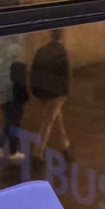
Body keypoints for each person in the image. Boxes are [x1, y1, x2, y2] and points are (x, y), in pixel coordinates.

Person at [31, 29, 72, 160]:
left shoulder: (41, 51)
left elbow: (34, 71)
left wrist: (36, 91)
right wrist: (65, 93)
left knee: (55, 117)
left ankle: (66, 146)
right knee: (47, 123)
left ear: (51, 35)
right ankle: (37, 154)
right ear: (62, 37)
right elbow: (65, 77)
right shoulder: (62, 53)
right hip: (56, 93)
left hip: (42, 91)